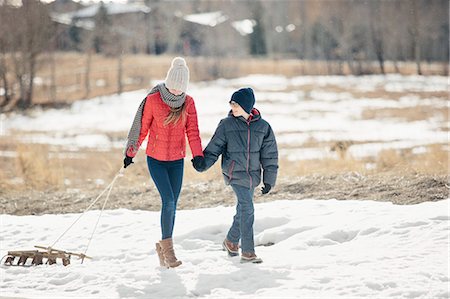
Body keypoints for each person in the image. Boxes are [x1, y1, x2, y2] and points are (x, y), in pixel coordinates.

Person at [123, 57, 206, 268]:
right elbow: (141, 128)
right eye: (174, 88)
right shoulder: (153, 100)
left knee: (173, 205)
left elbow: (193, 132)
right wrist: (130, 153)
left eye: (181, 90)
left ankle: (162, 248)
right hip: (156, 160)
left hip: (177, 161)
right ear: (168, 83)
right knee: (168, 201)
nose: (177, 93)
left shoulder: (189, 102)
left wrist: (197, 156)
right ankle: (169, 253)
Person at [192, 87, 278, 264]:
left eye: (236, 103)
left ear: (247, 106)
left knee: (242, 210)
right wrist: (202, 164)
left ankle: (231, 241)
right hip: (234, 174)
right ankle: (248, 252)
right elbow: (214, 147)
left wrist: (269, 180)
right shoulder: (226, 124)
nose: (232, 106)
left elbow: (270, 155)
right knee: (247, 208)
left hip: (252, 176)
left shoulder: (263, 127)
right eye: (231, 103)